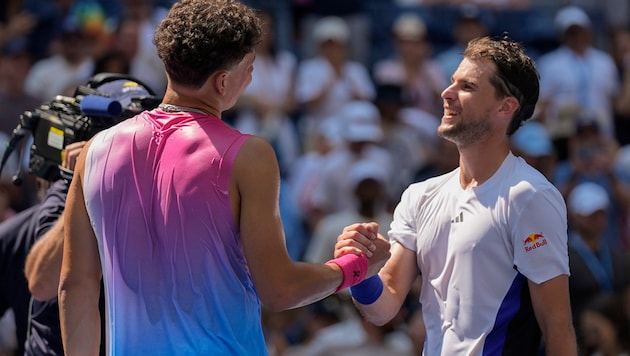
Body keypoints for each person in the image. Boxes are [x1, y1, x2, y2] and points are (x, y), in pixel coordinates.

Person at [57, 1, 390, 355]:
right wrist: (357, 267)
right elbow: (280, 290)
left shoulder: (94, 151)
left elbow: (74, 287)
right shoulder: (250, 156)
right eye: (250, 68)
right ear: (223, 81)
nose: (250, 79)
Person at [335, 35, 578, 354]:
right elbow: (383, 308)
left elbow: (557, 326)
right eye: (452, 82)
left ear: (505, 107)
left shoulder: (529, 196)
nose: (446, 94)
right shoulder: (419, 196)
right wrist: (360, 270)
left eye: (467, 87)